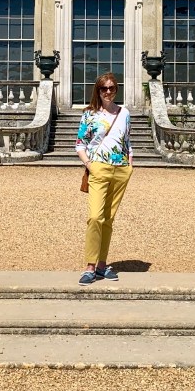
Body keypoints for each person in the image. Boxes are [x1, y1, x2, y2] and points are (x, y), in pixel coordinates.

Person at [75, 72, 132, 285]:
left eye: (111, 88)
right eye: (104, 88)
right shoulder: (89, 114)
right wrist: (90, 165)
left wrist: (130, 164)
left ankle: (101, 265)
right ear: (97, 91)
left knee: (108, 219)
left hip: (121, 169)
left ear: (116, 89)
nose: (108, 92)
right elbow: (80, 144)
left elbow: (127, 141)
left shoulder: (124, 113)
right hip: (98, 168)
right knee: (95, 217)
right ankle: (90, 266)